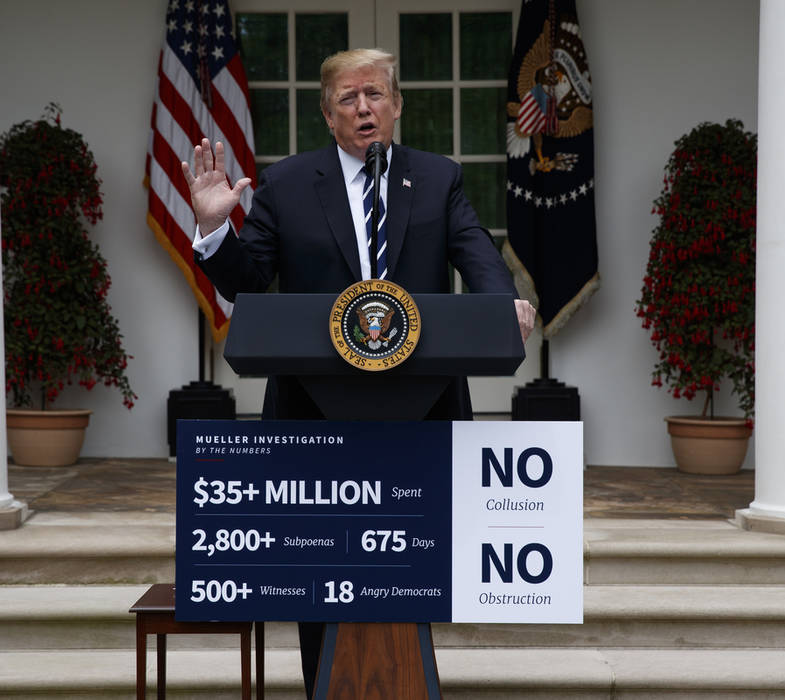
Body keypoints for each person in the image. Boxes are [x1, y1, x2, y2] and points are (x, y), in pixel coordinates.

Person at [183, 47, 536, 697]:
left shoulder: (437, 178)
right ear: (327, 114)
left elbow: (475, 252)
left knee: (412, 567)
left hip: (419, 407)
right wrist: (212, 232)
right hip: (314, 412)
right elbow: (251, 280)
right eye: (348, 98)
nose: (364, 108)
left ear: (398, 106)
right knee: (322, 571)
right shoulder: (288, 184)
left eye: (376, 94)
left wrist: (500, 303)